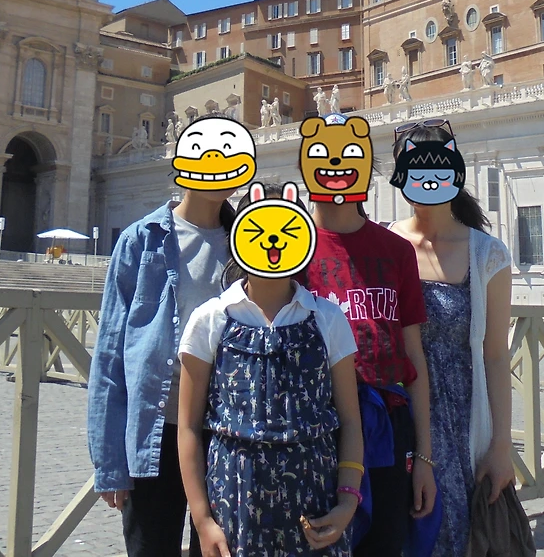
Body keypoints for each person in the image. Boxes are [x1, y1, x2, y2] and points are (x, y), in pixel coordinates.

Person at [88, 116, 255, 557]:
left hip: (225, 431)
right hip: (156, 430)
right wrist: (110, 461)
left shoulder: (251, 242)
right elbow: (110, 355)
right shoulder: (140, 240)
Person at [178, 182, 363, 557]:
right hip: (234, 504)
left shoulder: (328, 319)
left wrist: (348, 500)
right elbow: (189, 428)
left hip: (315, 503)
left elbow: (350, 422)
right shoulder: (209, 319)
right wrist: (202, 519)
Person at [297, 114, 437, 557]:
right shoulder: (290, 249)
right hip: (318, 424)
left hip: (388, 424)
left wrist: (424, 458)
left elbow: (413, 356)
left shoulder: (396, 251)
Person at [387, 121, 514, 557]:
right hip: (397, 420)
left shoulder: (487, 253)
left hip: (463, 426)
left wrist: (501, 445)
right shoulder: (386, 244)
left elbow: (495, 355)